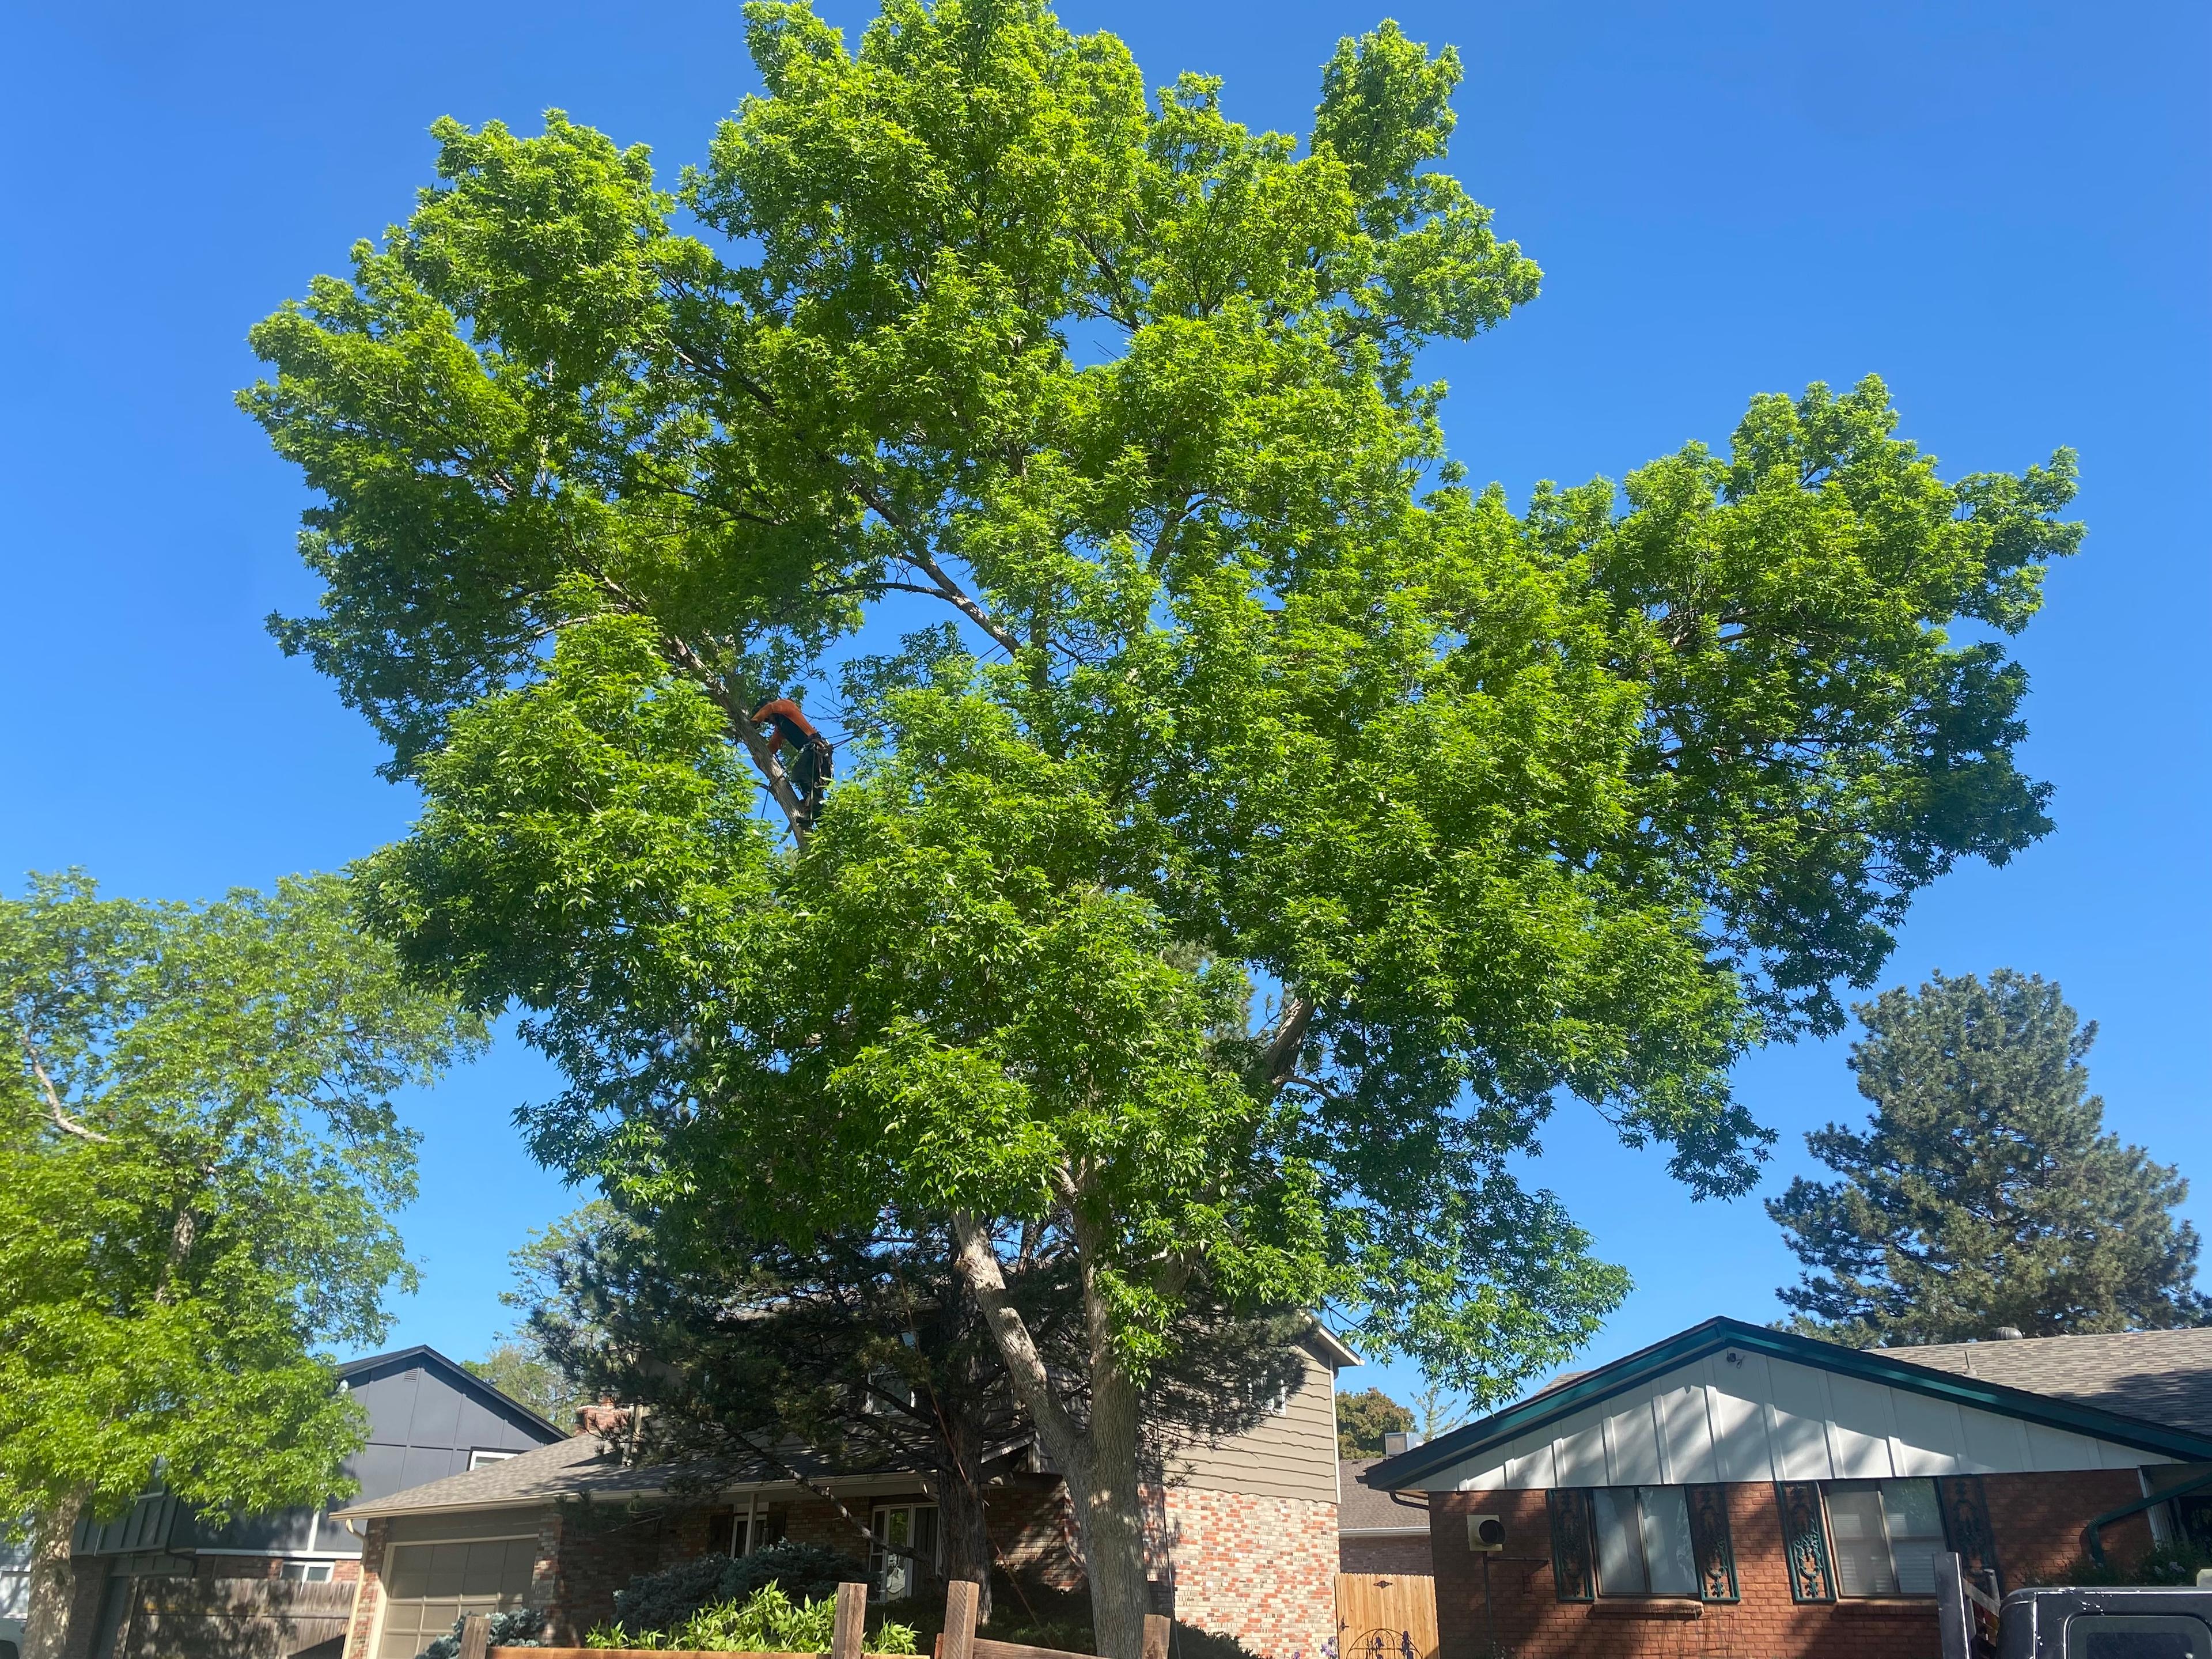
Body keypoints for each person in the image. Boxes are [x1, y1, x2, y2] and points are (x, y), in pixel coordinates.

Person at [749, 697, 834, 829]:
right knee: (809, 784)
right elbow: (773, 746)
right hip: (811, 751)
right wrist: (759, 756)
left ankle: (815, 807)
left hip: (815, 747)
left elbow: (771, 707)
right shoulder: (780, 728)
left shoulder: (786, 706)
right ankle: (816, 814)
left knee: (798, 773)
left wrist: (755, 720)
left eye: (768, 719)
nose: (769, 722)